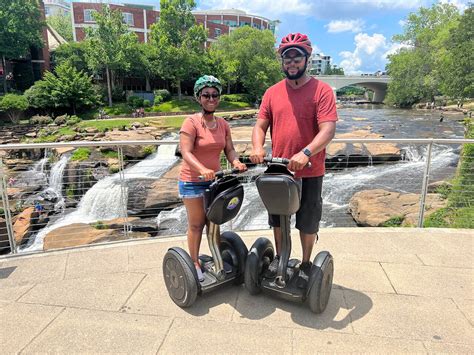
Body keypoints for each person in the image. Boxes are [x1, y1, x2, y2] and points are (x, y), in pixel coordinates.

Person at [250, 33, 338, 289]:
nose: (291, 62)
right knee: (278, 219)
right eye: (286, 58)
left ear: (306, 59)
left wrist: (306, 153)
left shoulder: (321, 91)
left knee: (308, 220)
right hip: (279, 168)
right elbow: (260, 125)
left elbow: (328, 129)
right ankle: (280, 258)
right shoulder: (272, 92)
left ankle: (307, 263)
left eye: (296, 57)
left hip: (310, 169)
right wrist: (257, 146)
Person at [178, 75, 247, 282]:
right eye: (206, 95)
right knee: (197, 224)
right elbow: (186, 152)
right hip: (192, 181)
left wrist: (236, 162)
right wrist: (202, 168)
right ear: (199, 97)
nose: (211, 98)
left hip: (215, 181)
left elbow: (230, 150)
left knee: (214, 223)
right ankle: (195, 262)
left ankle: (217, 260)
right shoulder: (191, 123)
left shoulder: (223, 124)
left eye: (215, 95)